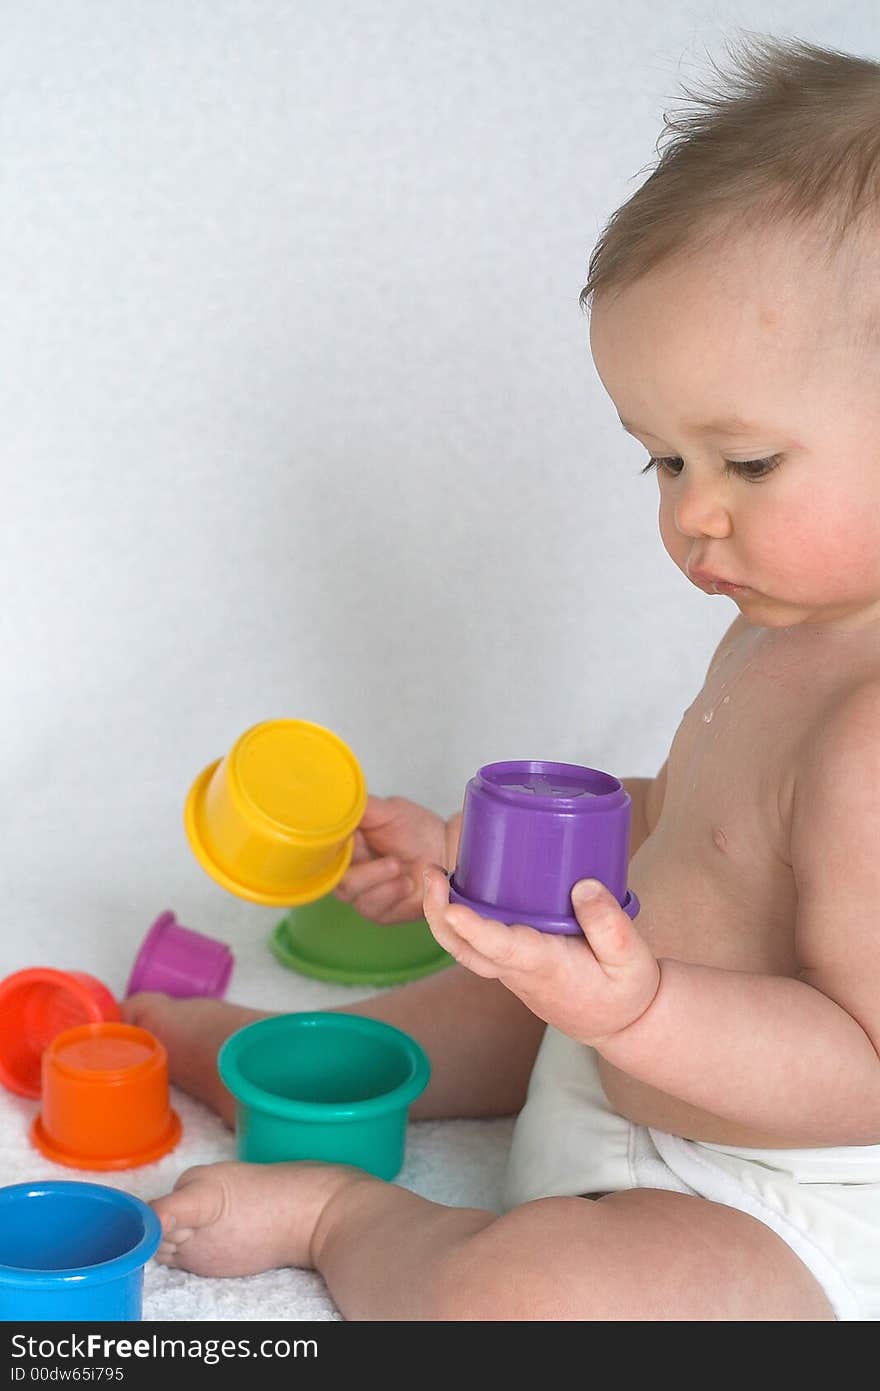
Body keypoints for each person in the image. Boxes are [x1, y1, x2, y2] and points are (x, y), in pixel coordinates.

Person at [124, 34, 880, 1319]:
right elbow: (690, 830)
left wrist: (639, 1004)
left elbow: (863, 1064)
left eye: (745, 463)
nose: (694, 515)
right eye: (662, 461)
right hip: (618, 1051)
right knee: (489, 993)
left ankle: (343, 1207)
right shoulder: (780, 620)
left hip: (771, 1188)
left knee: (523, 1305)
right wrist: (478, 856)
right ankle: (247, 1048)